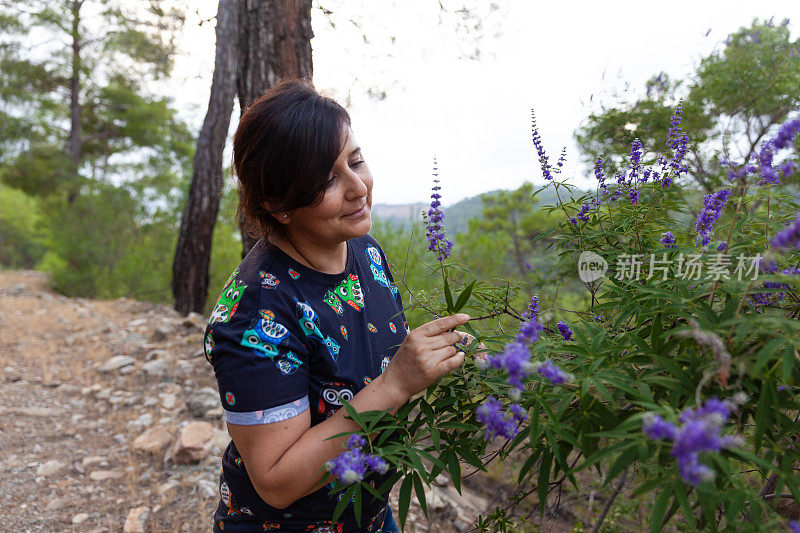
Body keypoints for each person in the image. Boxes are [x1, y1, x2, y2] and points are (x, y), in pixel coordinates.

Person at [203, 79, 472, 532]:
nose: (357, 187)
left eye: (356, 161)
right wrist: (395, 384)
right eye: (327, 179)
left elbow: (368, 358)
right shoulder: (255, 314)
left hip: (366, 511)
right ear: (278, 204)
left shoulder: (364, 250)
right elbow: (275, 480)